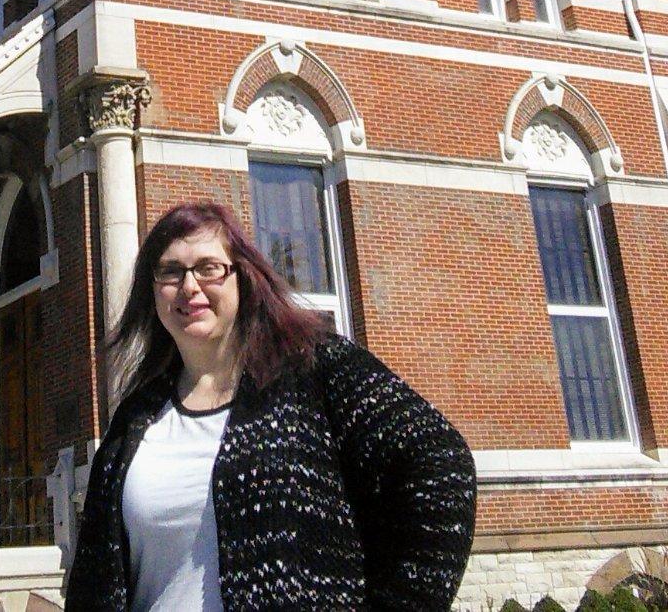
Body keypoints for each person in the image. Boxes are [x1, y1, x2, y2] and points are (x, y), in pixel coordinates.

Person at [63, 200, 476, 612]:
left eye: (208, 267)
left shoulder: (313, 368)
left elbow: (439, 462)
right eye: (170, 271)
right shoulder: (137, 417)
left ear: (241, 277)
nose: (189, 286)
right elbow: (96, 574)